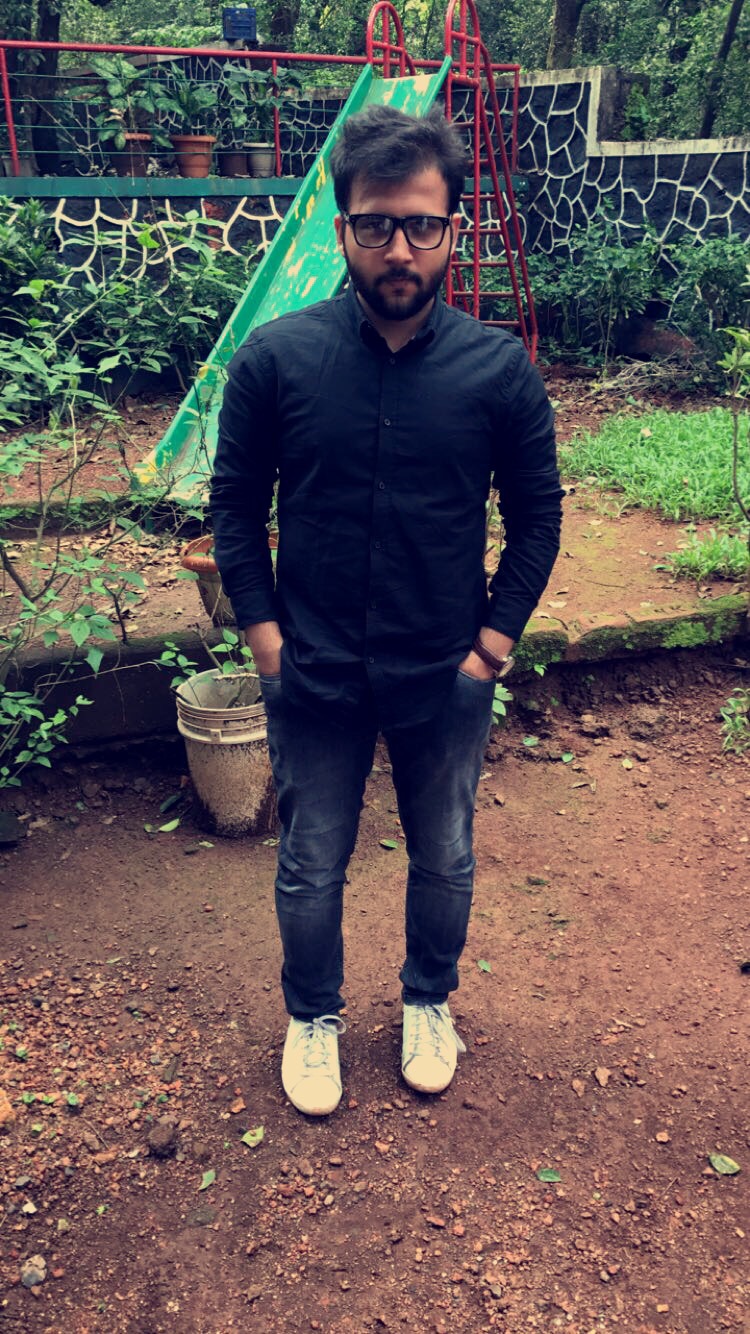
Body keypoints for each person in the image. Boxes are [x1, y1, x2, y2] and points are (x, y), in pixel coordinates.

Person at [211, 105, 563, 1117]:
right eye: (375, 224)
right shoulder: (276, 360)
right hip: (312, 667)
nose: (398, 248)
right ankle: (312, 1016)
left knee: (443, 853)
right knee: (310, 857)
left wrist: (489, 649)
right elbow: (234, 506)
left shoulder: (498, 371)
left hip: (442, 671)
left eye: (420, 224)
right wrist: (266, 641)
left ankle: (427, 1001)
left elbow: (538, 516)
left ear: (453, 228)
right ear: (343, 229)